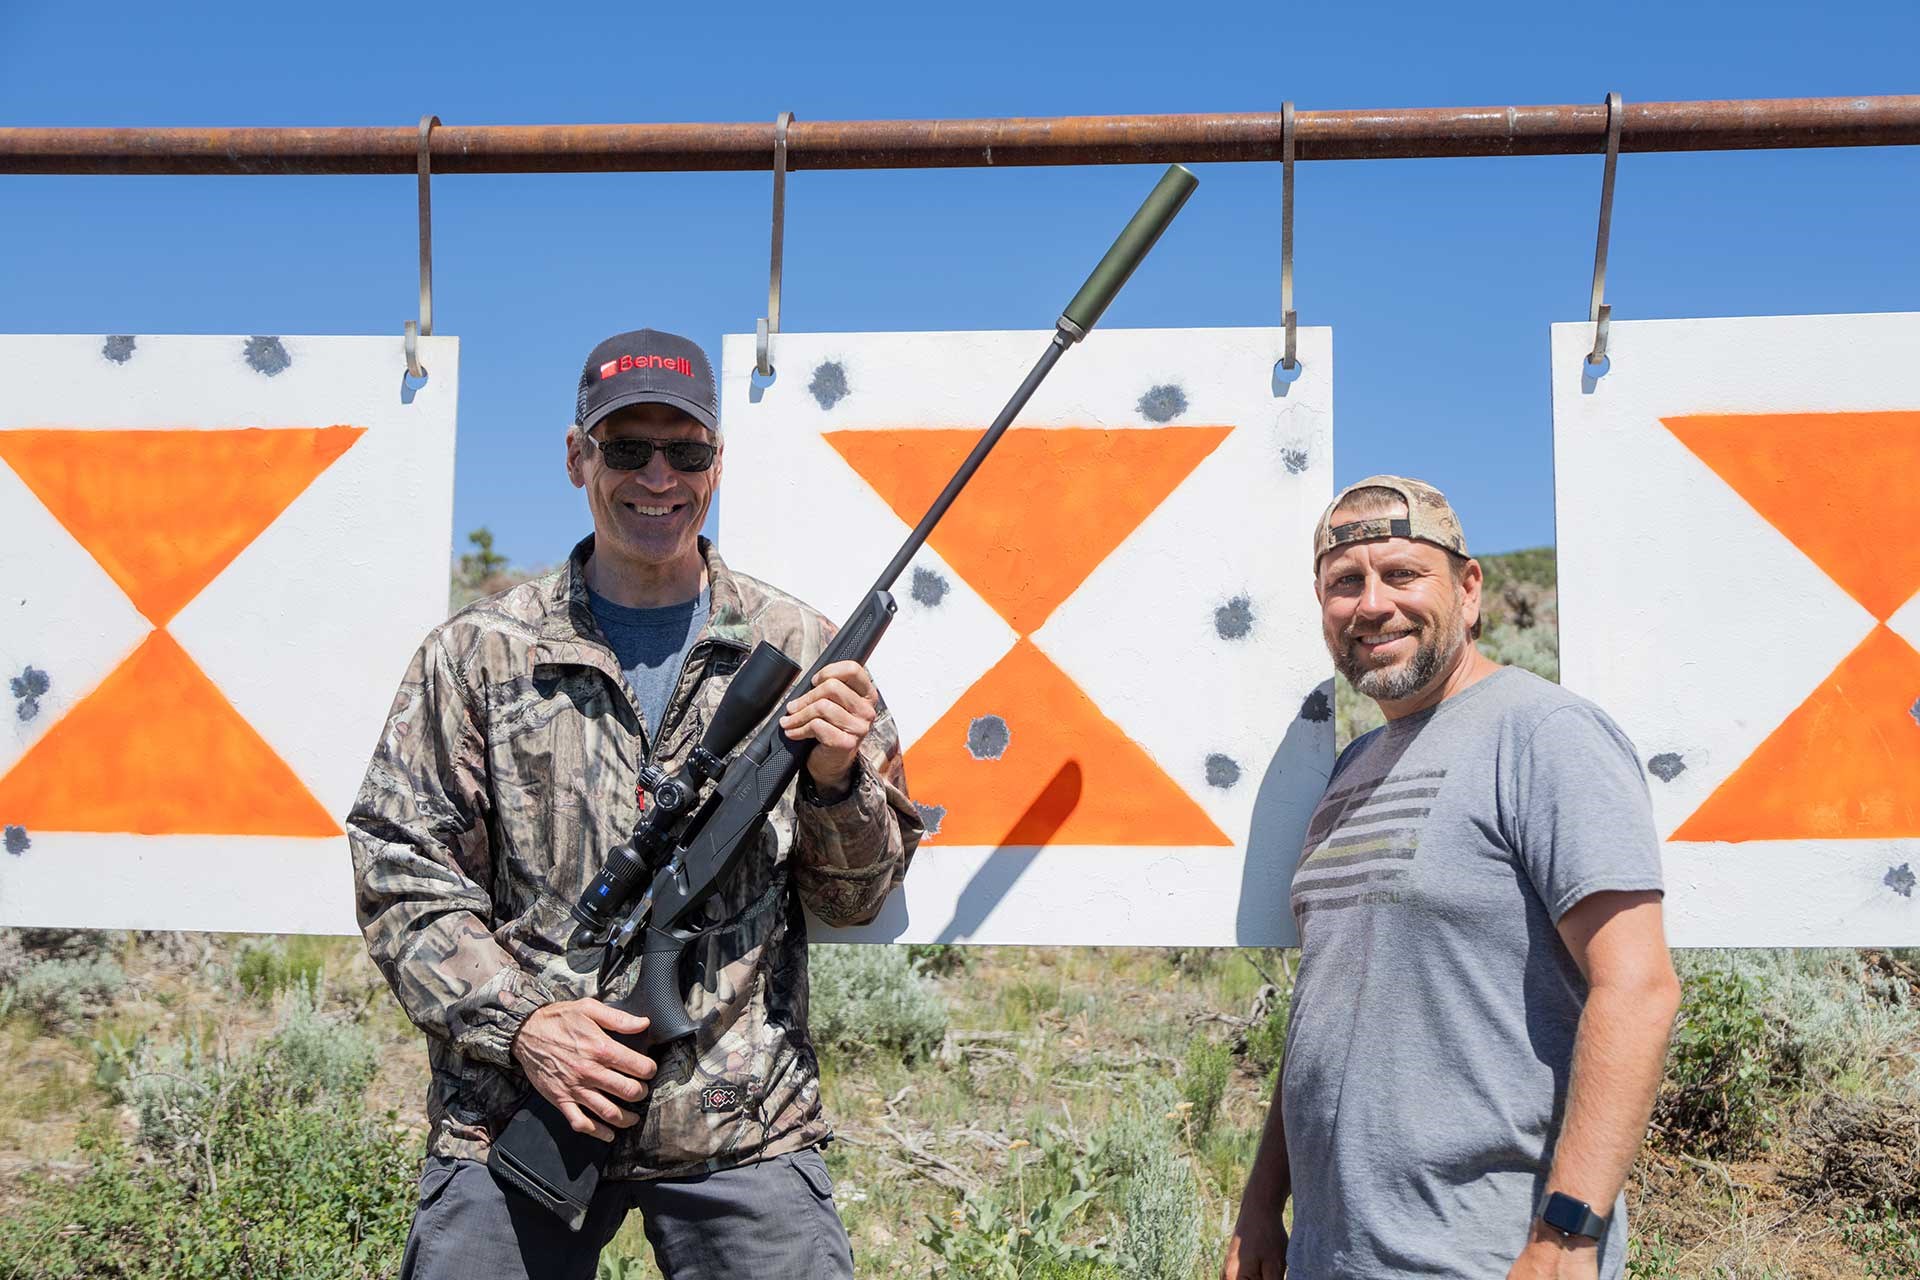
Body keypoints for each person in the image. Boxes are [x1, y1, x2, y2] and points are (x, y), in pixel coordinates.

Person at [349, 328, 923, 1280]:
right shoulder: (482, 651)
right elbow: (398, 869)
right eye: (627, 448)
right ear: (577, 456)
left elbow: (856, 898)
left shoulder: (803, 647)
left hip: (744, 1126)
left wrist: (834, 781)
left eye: (685, 451)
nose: (658, 477)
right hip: (510, 1116)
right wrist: (526, 1023)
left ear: (716, 463)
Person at [1223, 476, 1681, 1280]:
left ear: (1469, 591)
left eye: (1402, 574)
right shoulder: (1355, 767)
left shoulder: (1544, 733)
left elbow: (1639, 987)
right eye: (1344, 583)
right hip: (1334, 1255)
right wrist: (1263, 1204)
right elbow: (1328, 1015)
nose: (1371, 605)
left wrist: (1567, 1237)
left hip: (1486, 1254)